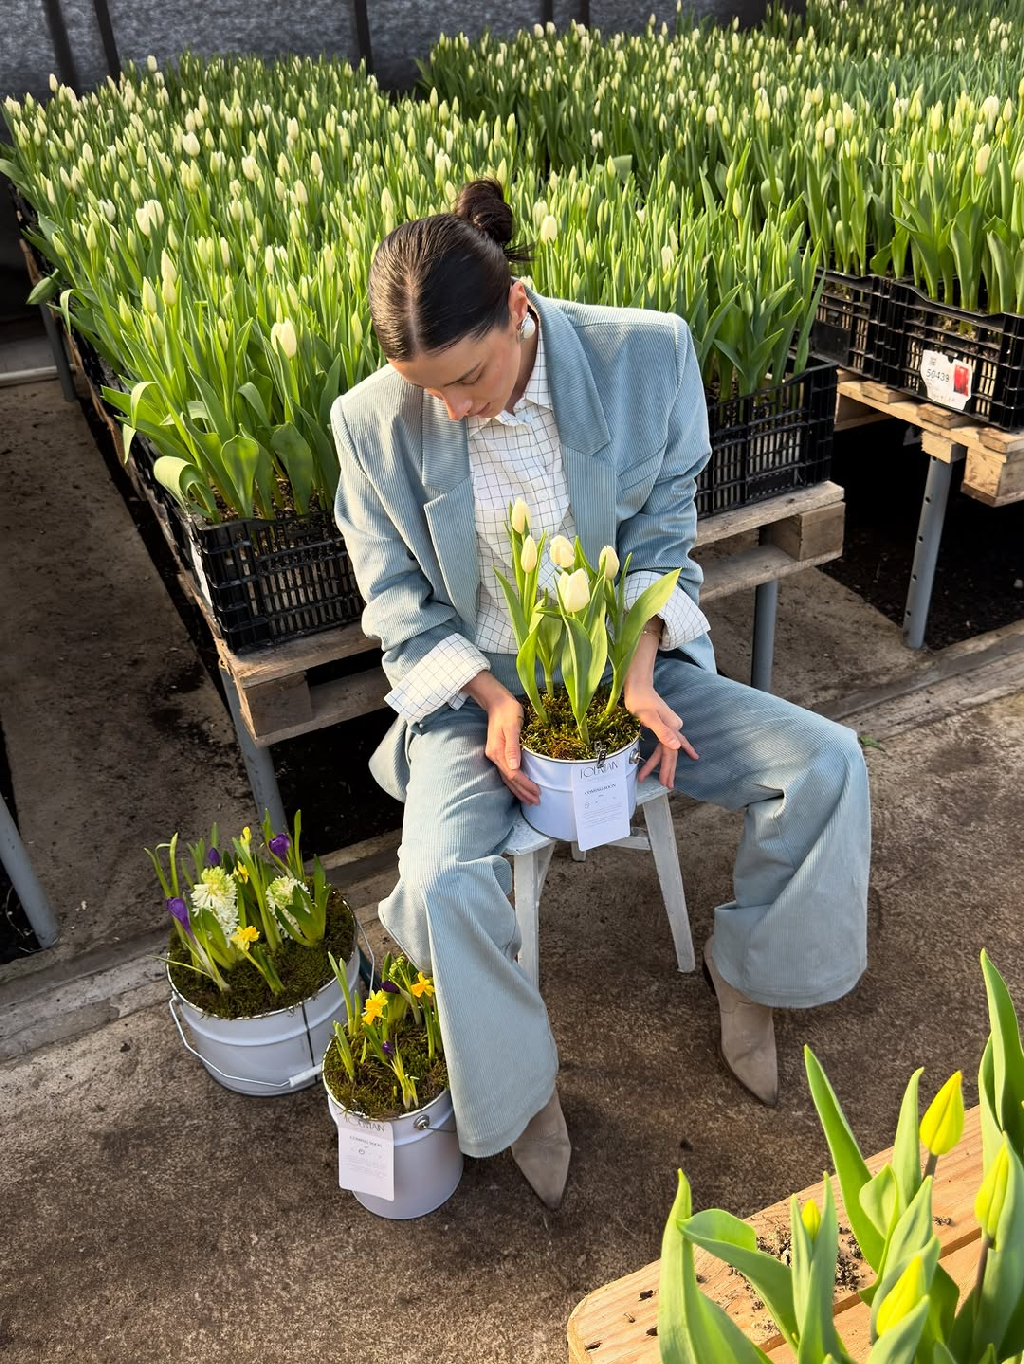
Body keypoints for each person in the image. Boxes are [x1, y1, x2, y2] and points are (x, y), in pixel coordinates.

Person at [331, 178, 870, 1210]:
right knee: (443, 875)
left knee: (827, 763)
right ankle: (521, 1088)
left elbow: (664, 536)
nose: (453, 408)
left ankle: (749, 969)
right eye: (428, 390)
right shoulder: (371, 423)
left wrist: (634, 670)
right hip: (475, 693)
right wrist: (493, 698)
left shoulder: (644, 355)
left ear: (517, 308)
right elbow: (397, 602)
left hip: (627, 656)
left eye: (468, 378)